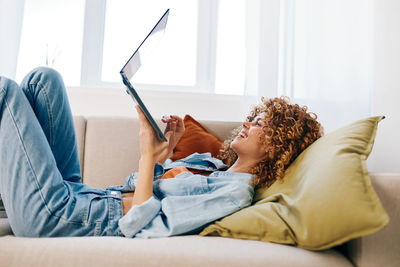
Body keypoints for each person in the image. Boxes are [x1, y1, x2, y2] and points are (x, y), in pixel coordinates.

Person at [0, 67, 323, 238]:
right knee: (44, 80)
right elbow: (152, 185)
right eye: (252, 117)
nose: (248, 123)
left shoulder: (234, 196)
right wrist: (166, 152)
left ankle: (14, 200)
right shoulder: (211, 166)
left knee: (5, 91)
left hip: (64, 216)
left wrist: (145, 155)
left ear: (277, 145)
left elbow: (137, 222)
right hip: (83, 195)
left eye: (260, 124)